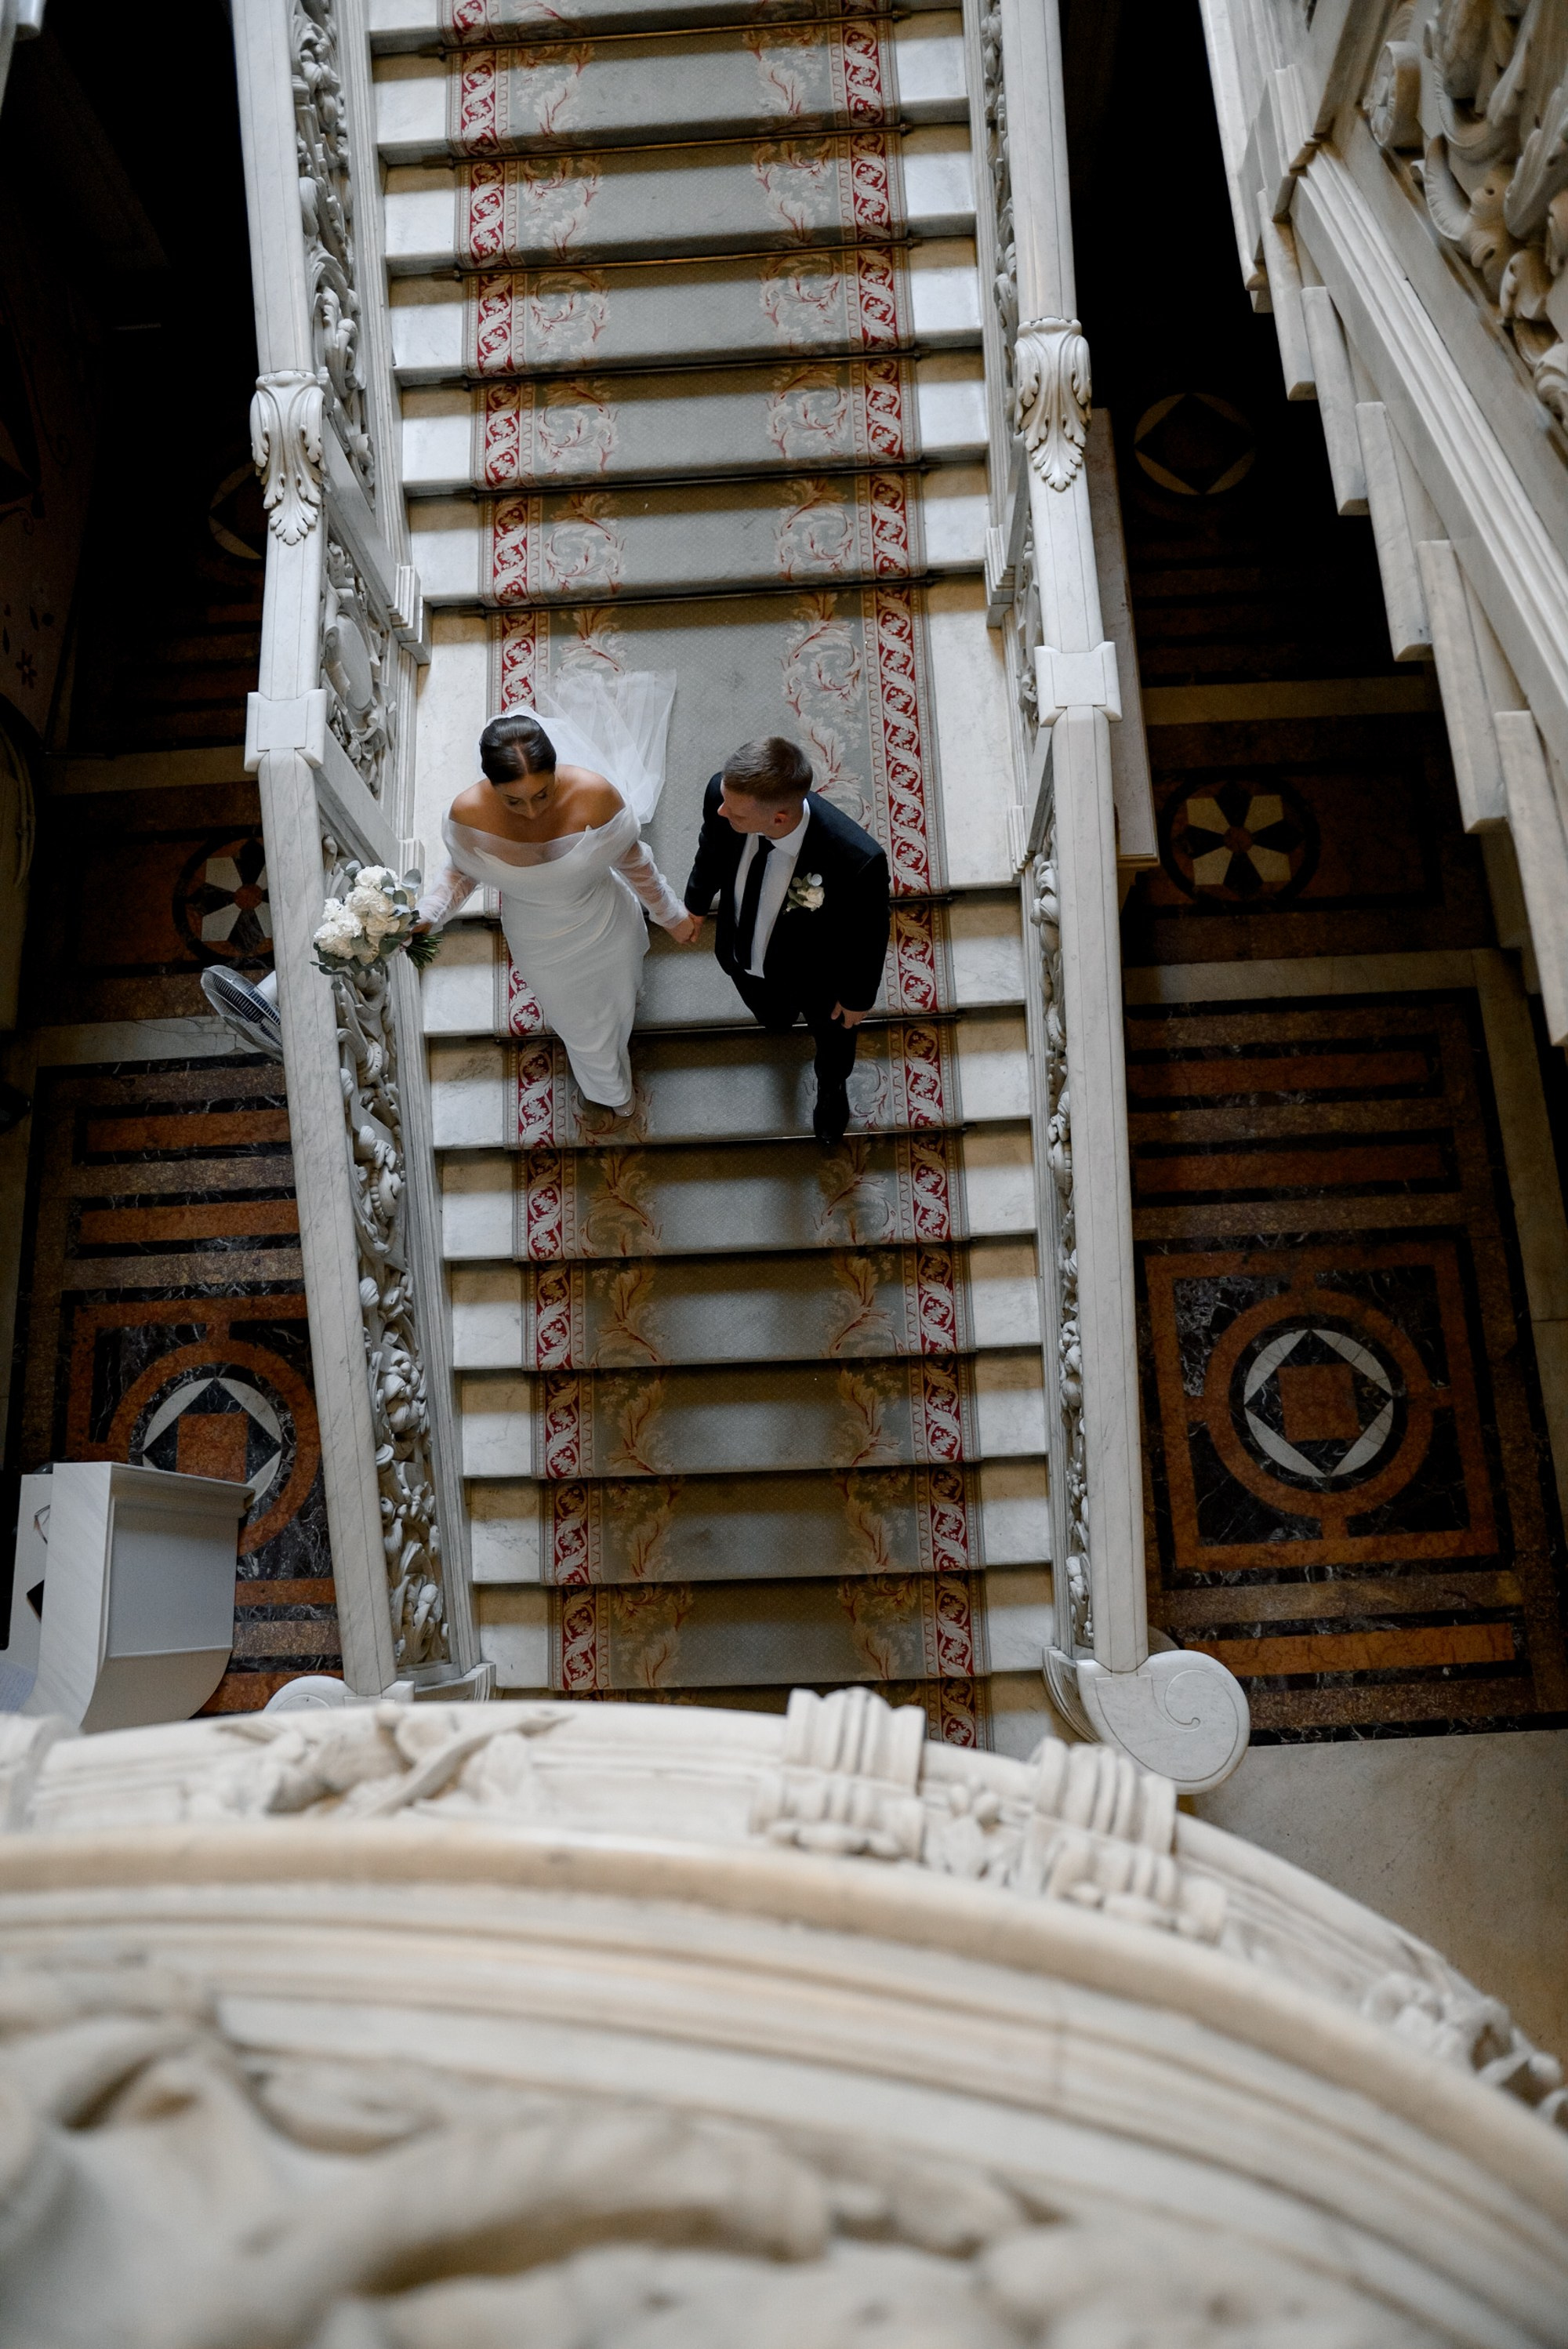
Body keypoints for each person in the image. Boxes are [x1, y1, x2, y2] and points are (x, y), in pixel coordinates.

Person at [416, 674, 699, 1113]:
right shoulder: (466, 814)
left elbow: (634, 862)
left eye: (542, 793)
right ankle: (612, 1092)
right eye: (513, 801)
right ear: (490, 784)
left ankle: (623, 1013)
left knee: (621, 992)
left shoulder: (596, 796)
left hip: (606, 923)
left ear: (556, 770)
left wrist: (671, 914)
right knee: (584, 1029)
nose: (532, 810)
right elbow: (461, 874)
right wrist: (428, 915)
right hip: (539, 942)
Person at [684, 735, 890, 1146]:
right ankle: (776, 1016)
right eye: (723, 801)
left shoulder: (855, 860)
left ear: (778, 818)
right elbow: (710, 849)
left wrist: (858, 997)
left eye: (735, 812)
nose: (722, 812)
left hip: (820, 979)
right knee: (773, 1015)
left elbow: (870, 933)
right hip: (745, 955)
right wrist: (694, 903)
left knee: (833, 1045)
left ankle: (831, 1090)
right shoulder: (723, 796)